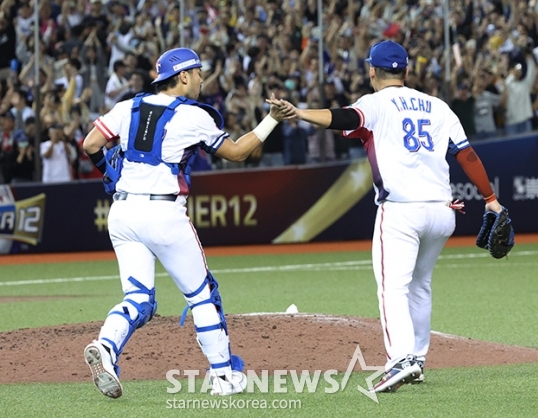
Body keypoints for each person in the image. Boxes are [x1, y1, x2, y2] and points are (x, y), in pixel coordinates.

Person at [270, 40, 505, 393]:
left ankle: (400, 361)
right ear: (407, 71)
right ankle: (418, 360)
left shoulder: (375, 103)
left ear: (371, 71)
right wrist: (491, 199)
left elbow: (344, 118)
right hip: (442, 212)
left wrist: (300, 113)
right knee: (420, 286)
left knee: (392, 288)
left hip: (402, 213)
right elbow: (466, 155)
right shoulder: (438, 106)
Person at [81, 47, 294, 399]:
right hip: (163, 214)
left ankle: (106, 347)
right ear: (182, 76)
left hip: (122, 213)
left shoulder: (126, 107)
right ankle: (224, 376)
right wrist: (272, 118)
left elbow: (91, 143)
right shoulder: (193, 116)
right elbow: (239, 152)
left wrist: (109, 172)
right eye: (197, 72)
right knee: (202, 295)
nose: (200, 78)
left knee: (138, 298)